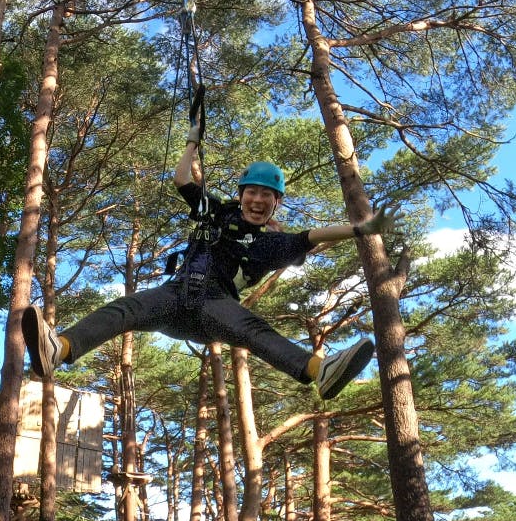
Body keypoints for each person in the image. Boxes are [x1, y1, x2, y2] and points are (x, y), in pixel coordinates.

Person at [22, 124, 397, 400]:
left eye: (268, 196)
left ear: (276, 204)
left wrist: (361, 230)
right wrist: (191, 140)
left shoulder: (272, 244)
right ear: (241, 195)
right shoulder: (214, 212)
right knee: (125, 309)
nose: (258, 200)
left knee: (253, 330)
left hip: (214, 307)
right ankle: (61, 348)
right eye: (252, 192)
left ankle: (319, 370)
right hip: (175, 295)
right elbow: (182, 179)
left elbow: (312, 236)